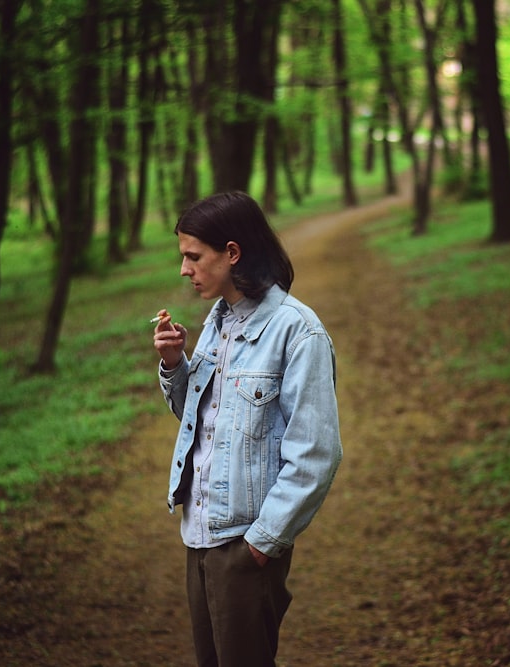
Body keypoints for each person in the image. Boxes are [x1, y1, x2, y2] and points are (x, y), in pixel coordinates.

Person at [152, 191, 343, 667]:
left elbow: (316, 453)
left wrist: (262, 543)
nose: (184, 269)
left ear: (232, 253)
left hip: (244, 543)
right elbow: (201, 420)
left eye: (193, 256)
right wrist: (175, 364)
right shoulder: (219, 322)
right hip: (198, 536)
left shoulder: (298, 331)